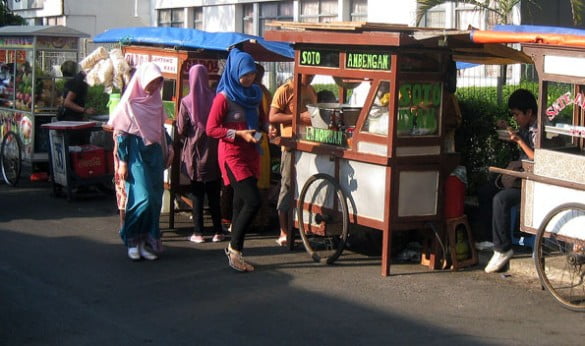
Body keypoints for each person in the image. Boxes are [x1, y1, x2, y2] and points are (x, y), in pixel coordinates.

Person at [206, 48, 266, 272]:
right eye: (245, 73)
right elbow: (211, 129)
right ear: (234, 72)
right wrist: (237, 134)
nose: (249, 78)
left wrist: (269, 130)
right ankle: (234, 250)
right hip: (232, 155)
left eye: (252, 73)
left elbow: (262, 120)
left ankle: (236, 247)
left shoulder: (256, 93)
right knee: (253, 200)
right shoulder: (224, 97)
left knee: (241, 202)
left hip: (252, 151)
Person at [108, 62, 171, 261]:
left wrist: (169, 149)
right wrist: (123, 161)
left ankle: (143, 242)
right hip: (135, 153)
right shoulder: (129, 103)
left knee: (154, 201)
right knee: (141, 198)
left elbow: (161, 130)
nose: (153, 87)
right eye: (151, 82)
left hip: (154, 154)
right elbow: (121, 133)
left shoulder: (156, 103)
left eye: (157, 83)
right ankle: (131, 239)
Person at [482, 89, 538, 273]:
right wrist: (508, 130)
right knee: (487, 190)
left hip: (534, 183)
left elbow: (538, 159)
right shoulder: (525, 128)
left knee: (501, 199)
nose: (516, 118)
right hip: (522, 176)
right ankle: (490, 239)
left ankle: (503, 249)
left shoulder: (539, 129)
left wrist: (519, 141)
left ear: (529, 112)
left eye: (517, 114)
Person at [177, 64, 224, 244]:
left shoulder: (186, 102)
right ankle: (218, 231)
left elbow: (181, 129)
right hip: (214, 151)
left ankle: (198, 232)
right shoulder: (215, 98)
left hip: (195, 153)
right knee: (213, 192)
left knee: (196, 193)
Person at [268, 75, 317, 246]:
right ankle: (283, 231)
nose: (311, 77)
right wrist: (297, 117)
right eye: (309, 75)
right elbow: (272, 117)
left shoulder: (311, 90)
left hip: (308, 145)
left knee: (304, 185)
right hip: (289, 146)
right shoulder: (285, 90)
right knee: (287, 186)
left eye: (313, 75)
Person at [59, 60, 96, 145]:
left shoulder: (70, 82)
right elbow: (67, 102)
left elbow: (62, 100)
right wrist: (84, 110)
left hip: (67, 120)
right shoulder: (78, 82)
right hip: (73, 121)